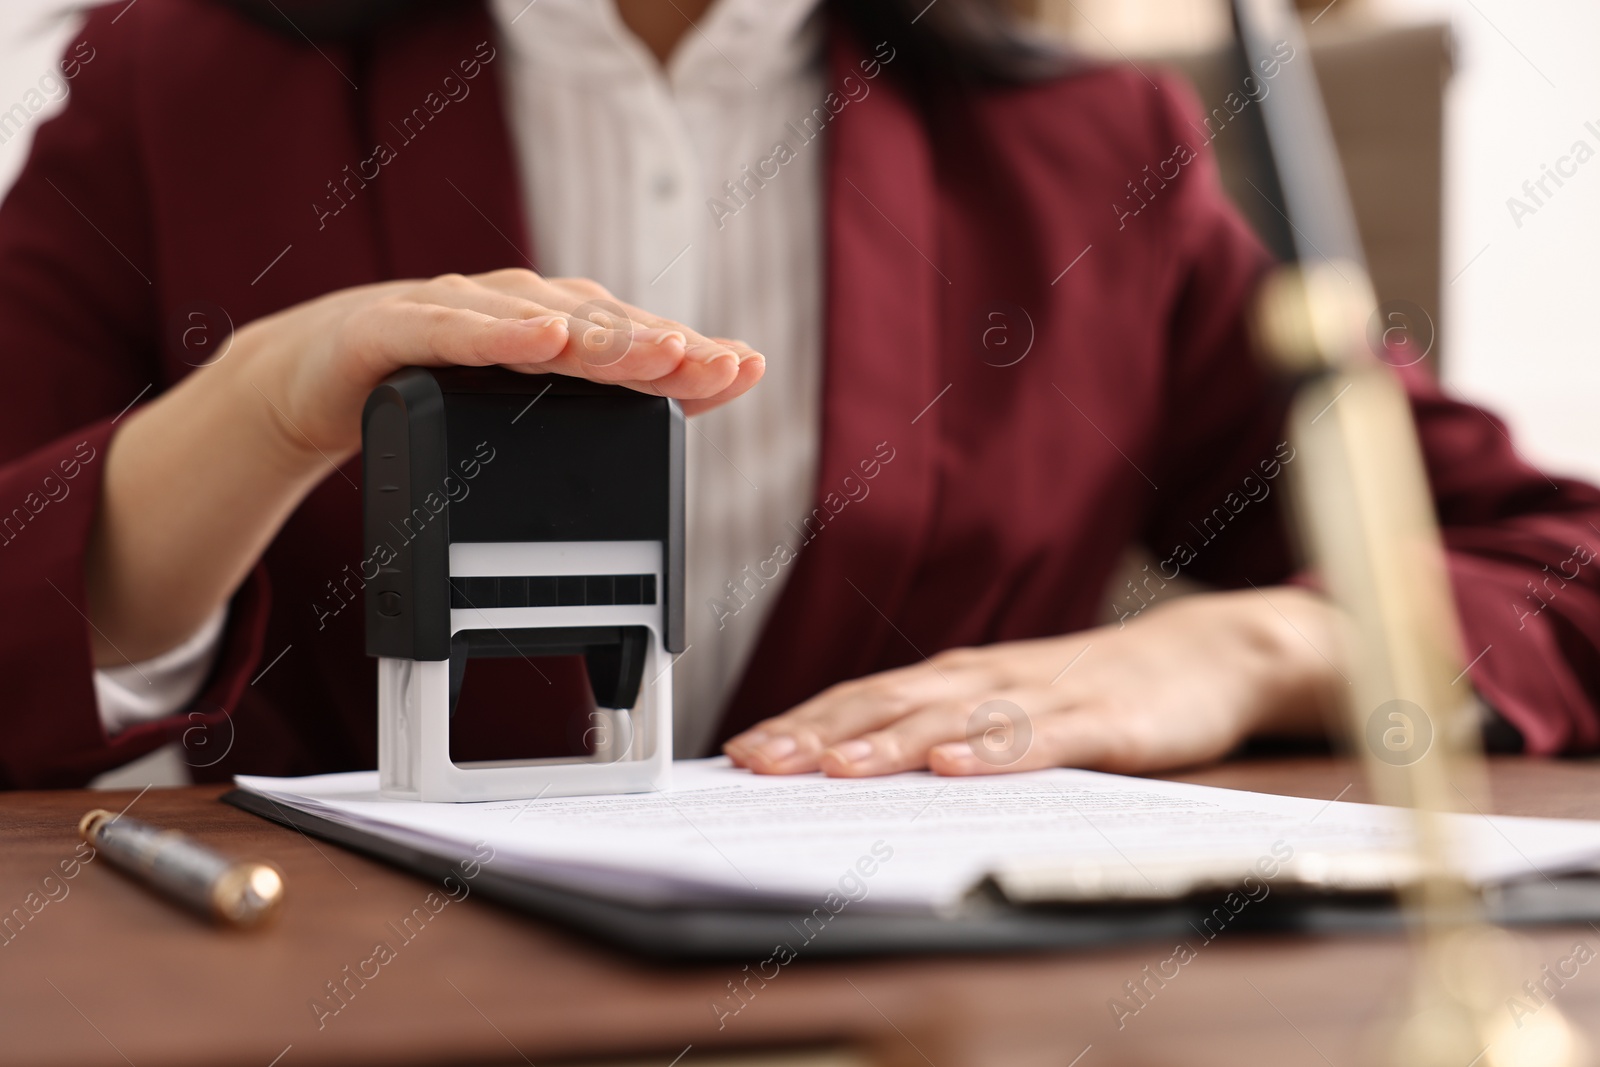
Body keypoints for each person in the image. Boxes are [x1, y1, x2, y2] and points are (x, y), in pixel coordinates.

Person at [0, 0, 1595, 791]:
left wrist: (1251, 647)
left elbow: (1556, 566)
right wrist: (261, 407)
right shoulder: (178, 86)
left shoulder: (1101, 153)